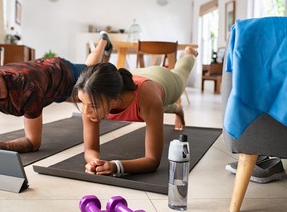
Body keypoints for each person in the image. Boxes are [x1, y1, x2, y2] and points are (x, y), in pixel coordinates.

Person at [0, 32, 113, 157]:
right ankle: (103, 43)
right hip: (45, 89)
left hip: (63, 74)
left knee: (92, 70)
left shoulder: (27, 87)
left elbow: (33, 143)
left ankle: (103, 42)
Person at [71, 47, 198, 176]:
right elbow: (90, 149)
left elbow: (152, 161)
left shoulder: (149, 100)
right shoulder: (91, 96)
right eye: (82, 102)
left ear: (114, 101)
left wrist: (117, 166)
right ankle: (175, 109)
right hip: (133, 77)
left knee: (181, 73)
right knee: (153, 109)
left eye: (93, 105)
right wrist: (95, 163)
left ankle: (190, 54)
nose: (86, 111)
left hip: (163, 79)